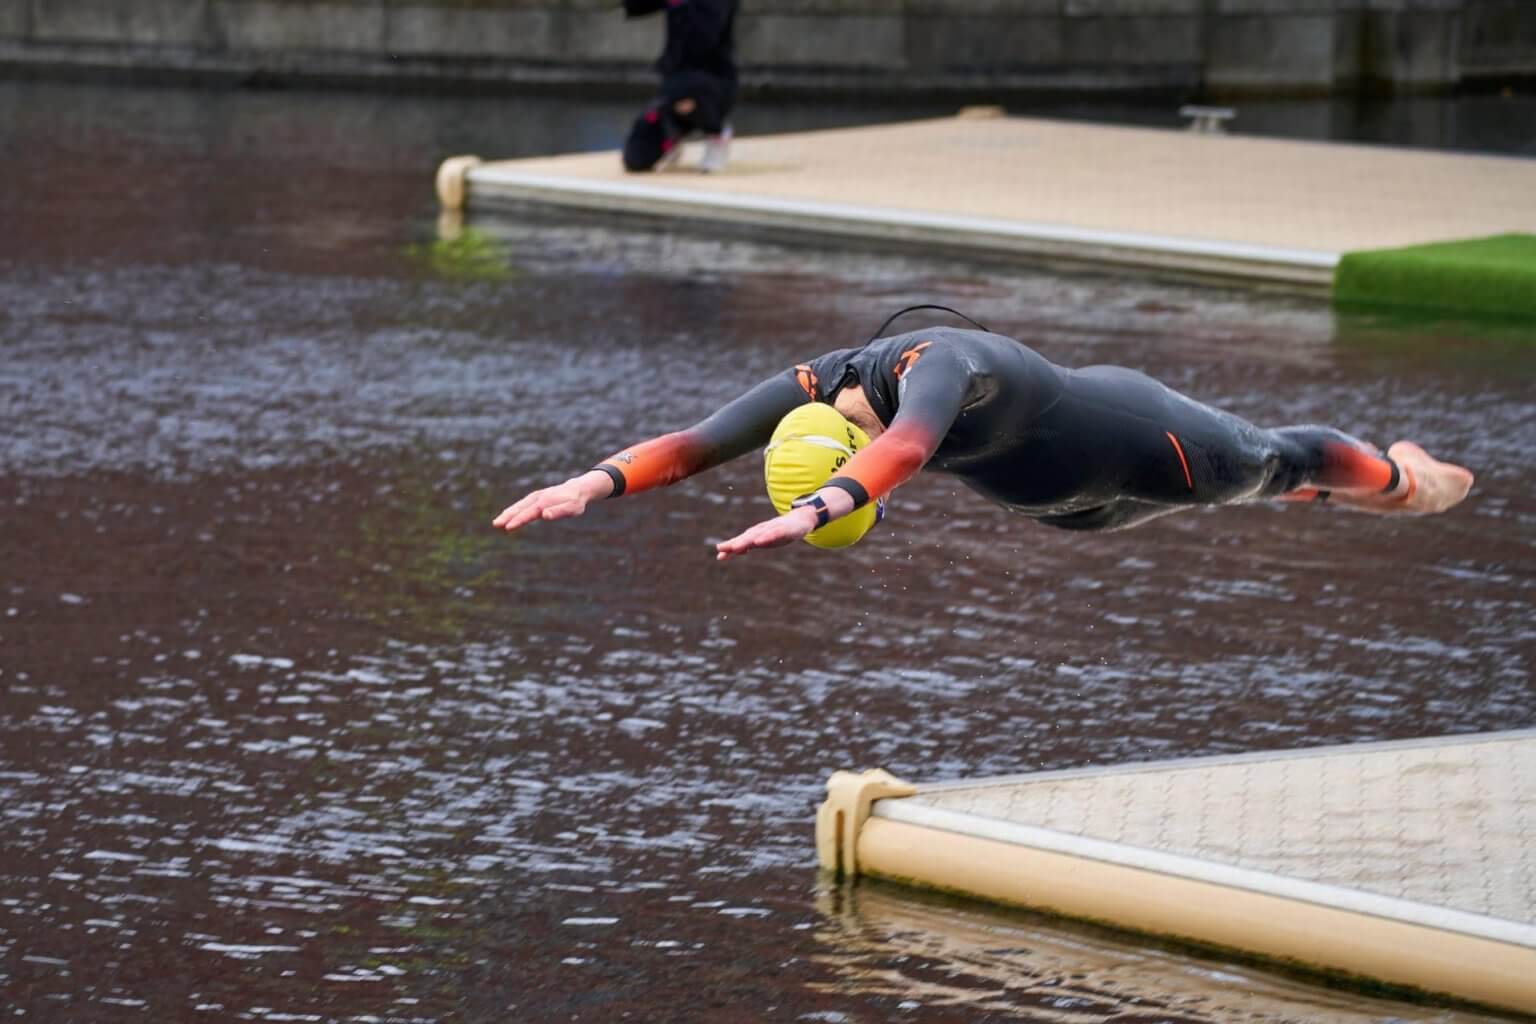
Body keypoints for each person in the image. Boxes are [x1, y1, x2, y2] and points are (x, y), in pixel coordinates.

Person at [492, 309, 1475, 561]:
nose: (850, 421)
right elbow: (698, 441)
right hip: (1068, 509)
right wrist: (589, 484)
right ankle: (1325, 490)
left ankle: (1397, 479)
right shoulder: (816, 384)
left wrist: (819, 511)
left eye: (850, 438)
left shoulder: (939, 368)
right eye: (838, 431)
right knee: (1253, 490)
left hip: (1146, 443)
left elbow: (911, 449)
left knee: (1270, 462)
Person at [620, 0, 739, 174]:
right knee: (636, 158)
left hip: (713, 85)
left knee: (681, 90)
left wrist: (682, 5)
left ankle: (717, 134)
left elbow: (704, 38)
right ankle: (672, 137)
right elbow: (636, 6)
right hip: (672, 92)